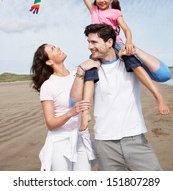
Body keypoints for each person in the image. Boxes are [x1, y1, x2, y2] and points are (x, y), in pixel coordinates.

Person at [64, 0, 171, 130]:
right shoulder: (93, 10)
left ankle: (157, 96)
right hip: (99, 48)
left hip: (117, 43)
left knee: (132, 62)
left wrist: (128, 43)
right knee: (91, 72)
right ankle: (86, 113)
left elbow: (127, 29)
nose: (101, 1)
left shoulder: (114, 13)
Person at [70, 24, 170, 171]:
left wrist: (134, 49)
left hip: (135, 138)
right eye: (88, 42)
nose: (89, 47)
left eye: (94, 42)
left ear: (110, 42)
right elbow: (74, 101)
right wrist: (80, 71)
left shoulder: (128, 62)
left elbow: (164, 75)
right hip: (104, 144)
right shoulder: (92, 69)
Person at [30, 43, 100, 171]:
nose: (58, 48)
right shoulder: (48, 85)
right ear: (49, 61)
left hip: (81, 137)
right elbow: (50, 123)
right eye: (53, 49)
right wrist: (71, 113)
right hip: (59, 141)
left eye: (55, 46)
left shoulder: (78, 75)